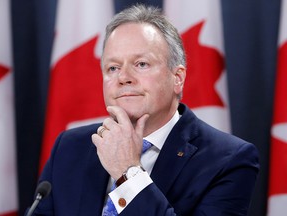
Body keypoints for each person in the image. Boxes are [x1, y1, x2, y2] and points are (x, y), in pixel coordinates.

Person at [33, 4, 259, 216]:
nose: (123, 78)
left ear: (177, 78)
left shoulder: (229, 160)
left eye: (141, 64)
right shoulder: (70, 147)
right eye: (113, 67)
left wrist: (128, 173)